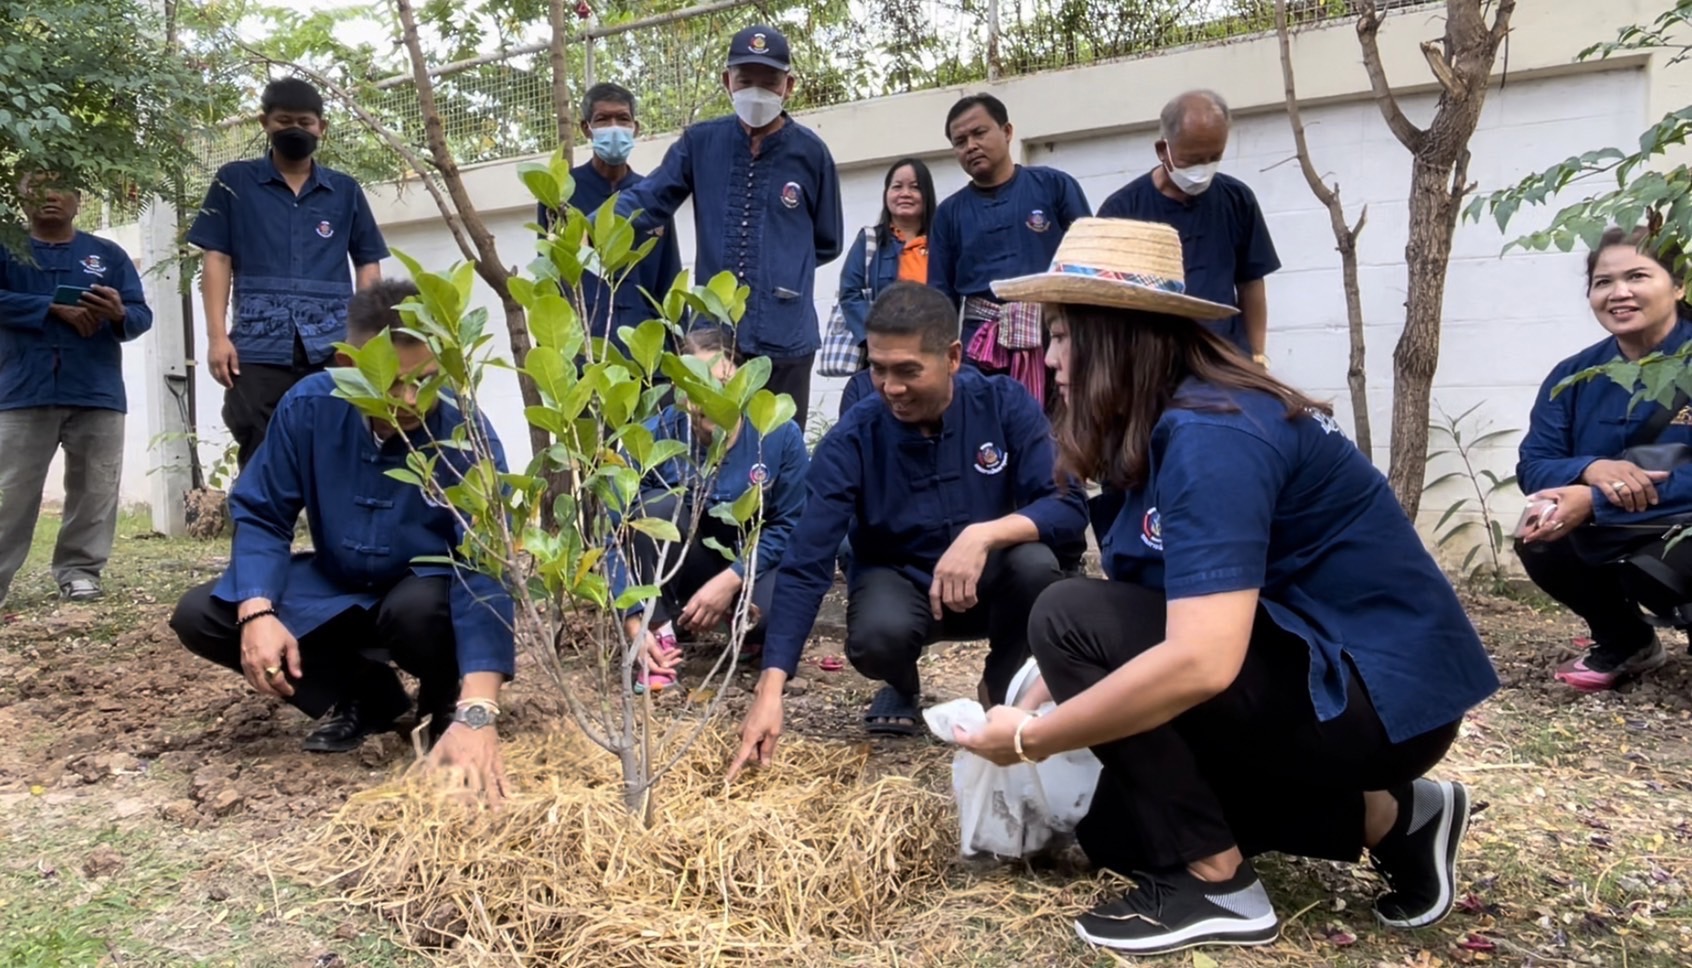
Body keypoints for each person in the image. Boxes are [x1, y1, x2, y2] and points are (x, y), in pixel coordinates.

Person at [953, 218, 1497, 955]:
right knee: (1120, 830)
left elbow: (1201, 659)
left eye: (1060, 336)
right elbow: (1151, 600)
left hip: (1377, 696)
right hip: (1309, 665)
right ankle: (1394, 818)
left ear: (1115, 334)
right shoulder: (1155, 425)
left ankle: (1218, 885)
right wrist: (1059, 686)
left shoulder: (1217, 432)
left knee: (1065, 612)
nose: (1047, 360)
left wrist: (1028, 739)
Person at [170, 280, 516, 800]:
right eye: (391, 383)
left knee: (421, 609)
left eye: (424, 380)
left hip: (423, 594)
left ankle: (444, 697)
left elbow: (484, 566)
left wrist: (478, 709)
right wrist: (259, 611)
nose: (410, 400)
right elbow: (263, 513)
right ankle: (368, 695)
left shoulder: (466, 434)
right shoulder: (309, 407)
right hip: (337, 587)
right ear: (348, 364)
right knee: (206, 614)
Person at [729, 281, 1087, 775]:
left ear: (954, 357)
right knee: (877, 637)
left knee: (1037, 565)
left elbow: (1069, 509)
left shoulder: (1004, 405)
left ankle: (1002, 683)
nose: (891, 387)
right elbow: (805, 563)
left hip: (991, 581)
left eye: (908, 371)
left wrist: (984, 535)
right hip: (900, 581)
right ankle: (902, 682)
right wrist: (771, 689)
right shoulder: (853, 438)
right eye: (878, 369)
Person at [617, 25, 844, 427]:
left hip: (786, 339)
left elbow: (827, 241)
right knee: (710, 451)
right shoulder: (700, 143)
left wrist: (783, 273)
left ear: (787, 85)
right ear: (727, 81)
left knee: (778, 452)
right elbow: (651, 199)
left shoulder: (812, 153)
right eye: (745, 79)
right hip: (714, 340)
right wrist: (598, 225)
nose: (756, 90)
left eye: (769, 80)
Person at [1516, 226, 1692, 692]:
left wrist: (1596, 500)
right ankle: (1627, 640)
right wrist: (1588, 469)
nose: (1620, 293)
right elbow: (1533, 462)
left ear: (1677, 284)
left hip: (1682, 519)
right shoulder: (1574, 375)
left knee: (1664, 567)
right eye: (1603, 282)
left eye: (1637, 276)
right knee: (1542, 531)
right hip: (1616, 519)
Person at [188, 77, 389, 469]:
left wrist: (365, 340)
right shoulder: (234, 182)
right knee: (263, 459)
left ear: (321, 127)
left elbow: (368, 262)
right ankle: (259, 531)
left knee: (337, 456)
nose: (294, 129)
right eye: (283, 120)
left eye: (305, 121)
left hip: (333, 349)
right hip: (257, 349)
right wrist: (216, 338)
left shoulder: (345, 191)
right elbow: (217, 259)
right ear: (264, 122)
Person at [607, 326, 810, 691]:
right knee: (657, 505)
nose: (713, 396)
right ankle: (659, 636)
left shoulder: (778, 434)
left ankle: (742, 628)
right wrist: (634, 620)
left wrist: (732, 579)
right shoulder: (650, 436)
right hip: (685, 566)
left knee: (775, 616)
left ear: (745, 383)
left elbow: (791, 524)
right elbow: (611, 531)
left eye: (724, 382)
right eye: (697, 384)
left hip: (751, 567)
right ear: (680, 391)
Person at [0, 173, 153, 607]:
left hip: (96, 389)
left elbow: (140, 315)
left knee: (95, 489)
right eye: (37, 186)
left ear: (79, 199)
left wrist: (118, 312)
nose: (49, 196)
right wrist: (48, 307)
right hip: (21, 389)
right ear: (20, 196)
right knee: (9, 492)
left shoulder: (106, 255)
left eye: (60, 187)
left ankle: (81, 572)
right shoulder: (7, 248)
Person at [1097, 90, 1280, 363]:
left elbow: (1251, 282)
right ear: (1163, 150)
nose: (1203, 170)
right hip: (1151, 366)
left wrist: (1256, 355)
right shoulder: (1122, 211)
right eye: (1192, 160)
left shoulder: (1238, 200)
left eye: (1213, 158)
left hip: (1224, 359)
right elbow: (1104, 302)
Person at [929, 93, 1090, 401]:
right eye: (960, 141)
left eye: (979, 133)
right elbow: (940, 296)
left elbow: (1089, 262)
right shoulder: (949, 213)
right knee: (983, 428)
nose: (971, 146)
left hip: (1053, 334)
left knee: (1063, 430)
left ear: (1007, 131)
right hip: (980, 343)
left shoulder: (1054, 186)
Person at [537, 82, 682, 355]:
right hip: (584, 348)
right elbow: (549, 276)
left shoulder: (653, 194)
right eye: (603, 119)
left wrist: (678, 353)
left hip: (645, 350)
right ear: (586, 128)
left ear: (635, 128)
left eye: (623, 119)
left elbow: (669, 279)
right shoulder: (560, 193)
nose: (614, 127)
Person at [836, 158, 938, 357]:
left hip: (930, 350)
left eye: (915, 187)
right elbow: (850, 294)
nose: (905, 194)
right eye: (897, 187)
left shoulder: (941, 244)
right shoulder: (869, 240)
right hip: (879, 352)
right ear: (886, 194)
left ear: (927, 195)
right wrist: (876, 339)